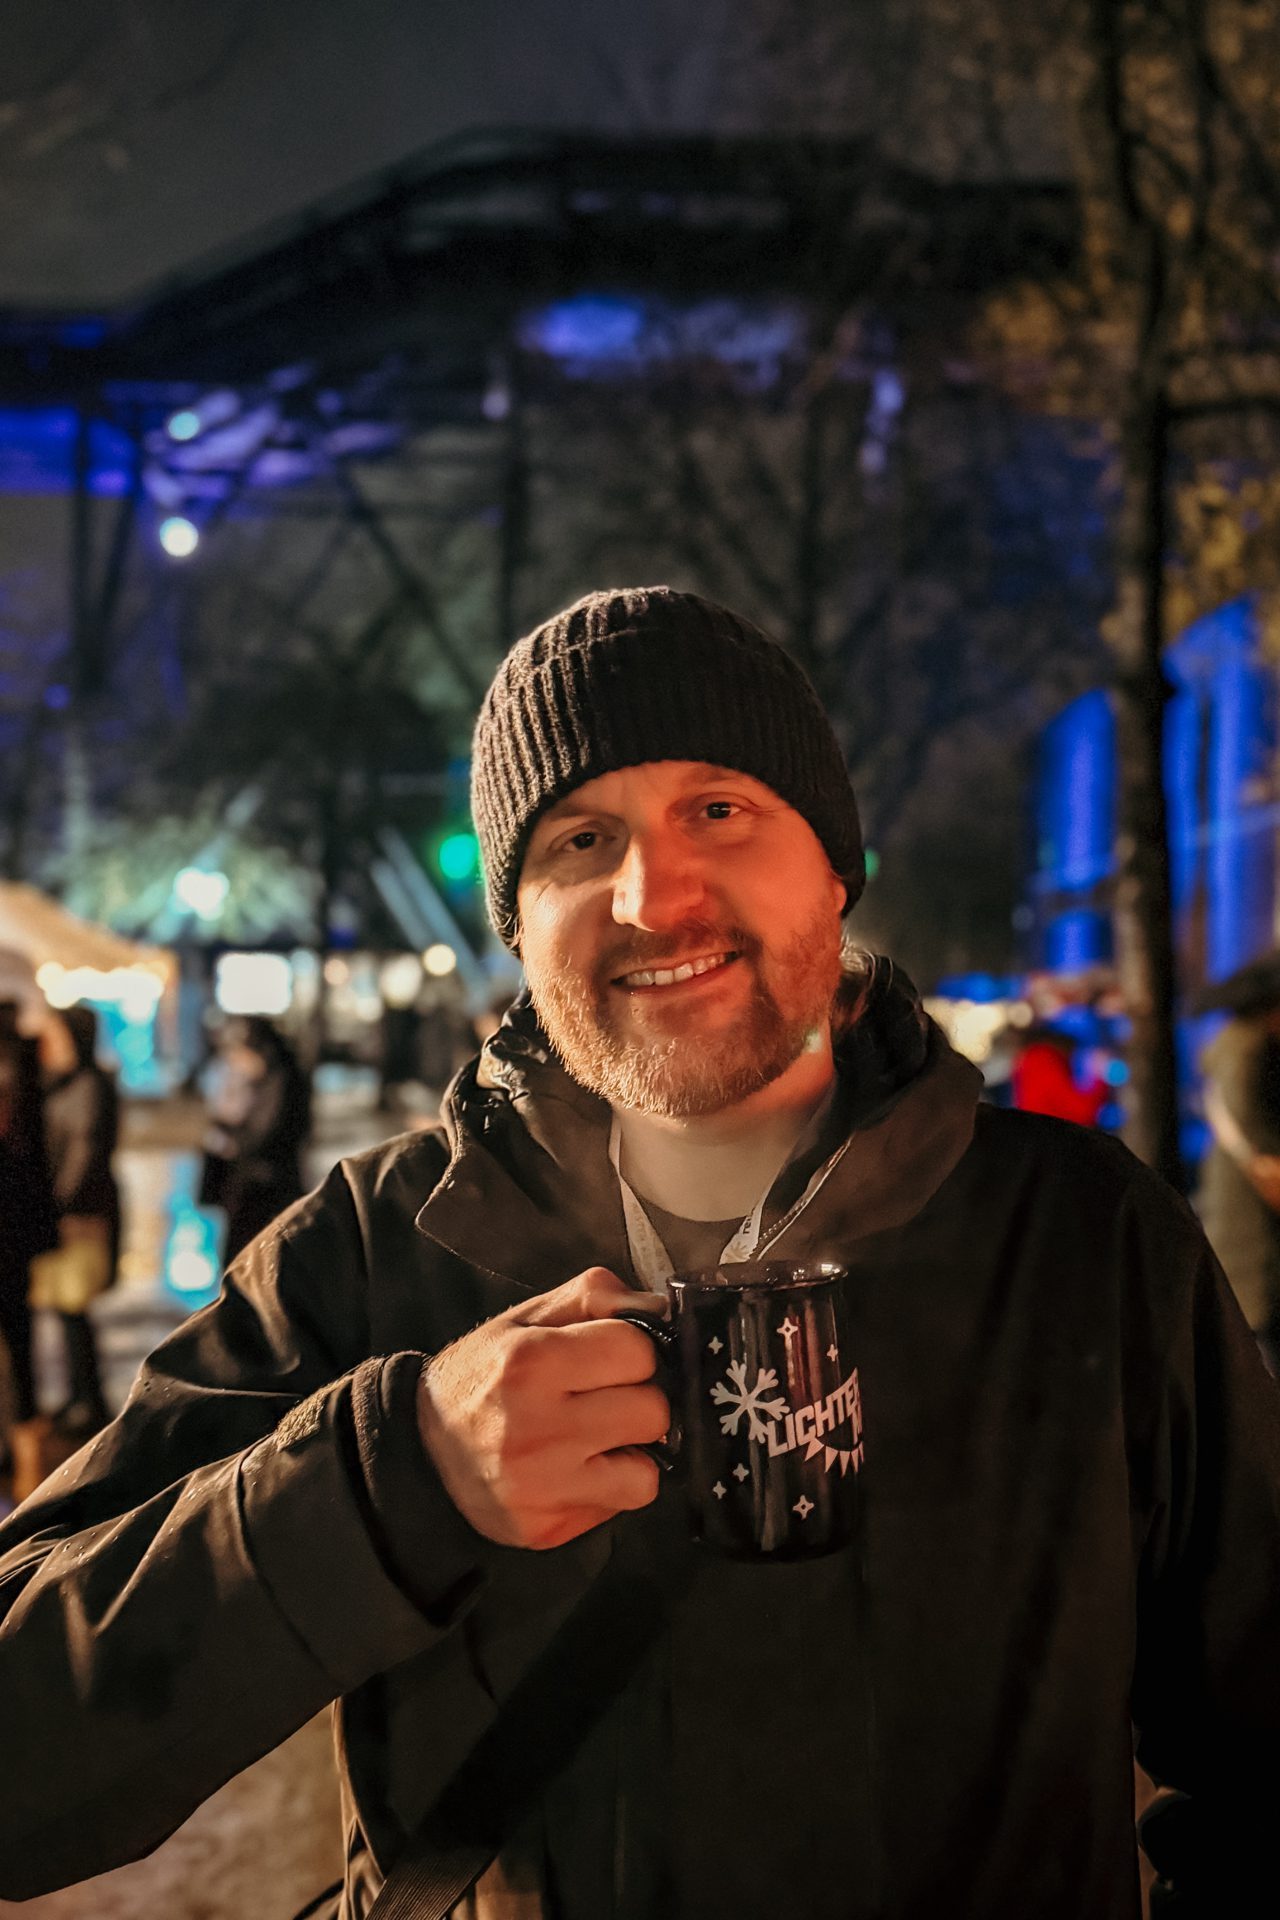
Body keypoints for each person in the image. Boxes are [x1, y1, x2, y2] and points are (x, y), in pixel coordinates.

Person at [0, 586, 1278, 1920]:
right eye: (579, 836)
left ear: (836, 867)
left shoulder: (1082, 1238)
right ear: (517, 921)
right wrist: (392, 1485)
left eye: (718, 809)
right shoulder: (376, 1256)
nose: (653, 895)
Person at [30, 1004, 120, 1438]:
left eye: (57, 1037)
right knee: (63, 1307)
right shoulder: (60, 1084)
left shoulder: (88, 1085)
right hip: (65, 1209)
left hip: (80, 1214)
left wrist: (59, 1200)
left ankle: (90, 1398)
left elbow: (85, 1148)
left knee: (75, 1306)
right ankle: (78, 1394)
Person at [1197, 1001, 1280, 1370]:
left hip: (1241, 1190)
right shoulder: (1248, 1045)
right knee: (1255, 1308)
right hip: (1251, 1192)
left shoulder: (1238, 1043)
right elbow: (1247, 1114)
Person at [0, 1001, 59, 1505]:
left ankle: (22, 1453)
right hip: (17, 1229)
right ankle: (25, 1451)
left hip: (10, 1228)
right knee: (19, 1338)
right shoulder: (24, 1070)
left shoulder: (16, 1075)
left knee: (17, 1339)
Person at [198, 1015, 311, 1262]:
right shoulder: (267, 1077)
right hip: (259, 1180)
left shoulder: (276, 1080)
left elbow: (265, 1132)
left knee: (259, 1253)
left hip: (265, 1181)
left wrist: (230, 1135)